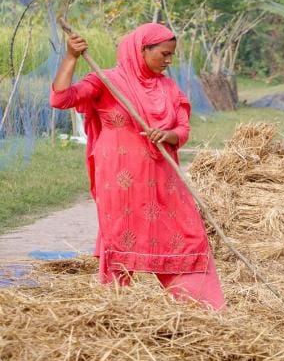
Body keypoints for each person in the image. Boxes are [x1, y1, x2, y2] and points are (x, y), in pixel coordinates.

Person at [50, 23, 225, 309]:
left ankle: (200, 307)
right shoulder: (106, 81)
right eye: (164, 54)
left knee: (187, 235)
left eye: (171, 55)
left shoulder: (168, 88)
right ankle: (116, 307)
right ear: (141, 50)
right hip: (120, 180)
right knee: (121, 237)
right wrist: (71, 57)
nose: (169, 61)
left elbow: (182, 130)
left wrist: (167, 135)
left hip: (164, 178)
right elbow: (60, 98)